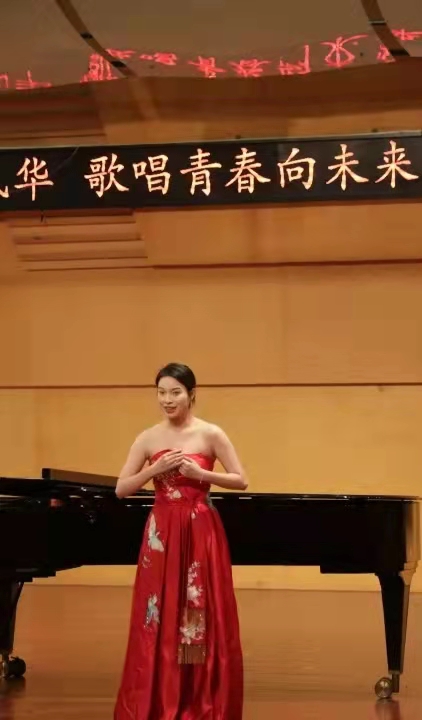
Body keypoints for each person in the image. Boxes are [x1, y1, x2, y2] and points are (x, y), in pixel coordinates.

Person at [114, 362, 247, 720]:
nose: (167, 399)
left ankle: (194, 698)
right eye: (161, 392)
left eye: (175, 392)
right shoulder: (147, 438)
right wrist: (153, 470)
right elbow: (121, 489)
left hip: (199, 530)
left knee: (194, 610)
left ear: (191, 394)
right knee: (158, 611)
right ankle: (159, 697)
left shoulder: (211, 434)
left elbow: (241, 479)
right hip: (161, 533)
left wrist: (202, 473)